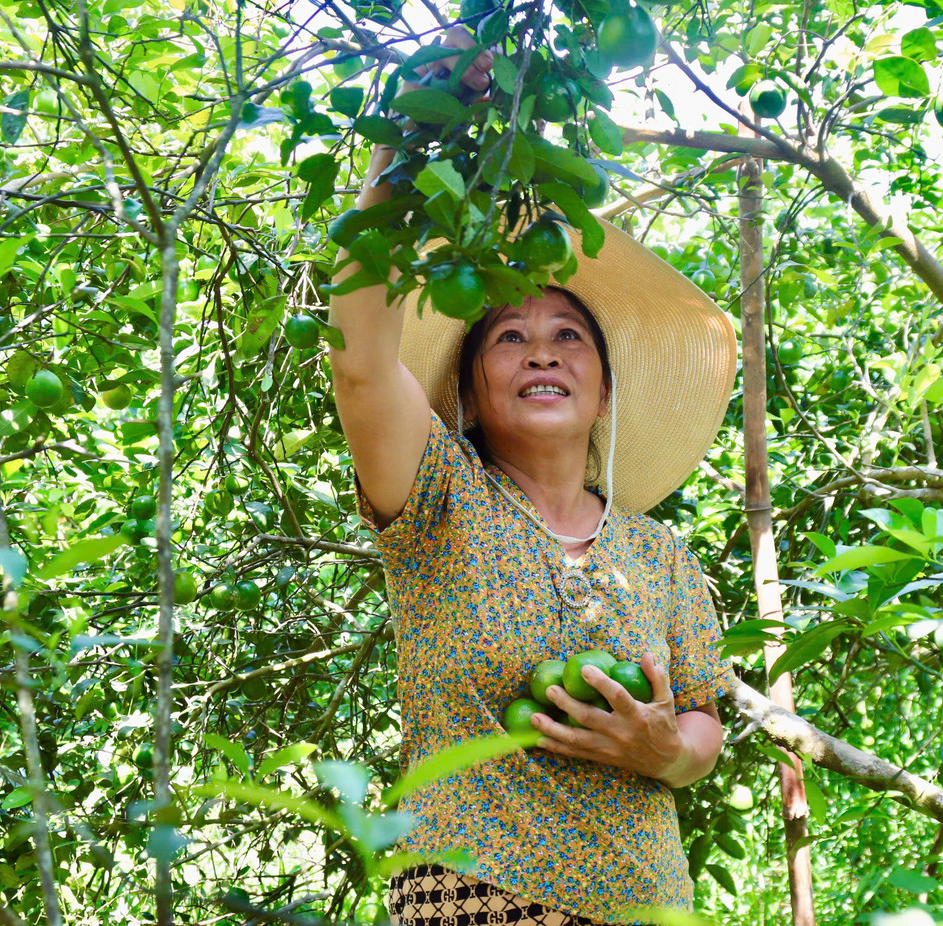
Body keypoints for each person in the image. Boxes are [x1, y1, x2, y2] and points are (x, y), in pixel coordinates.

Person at [327, 27, 738, 926]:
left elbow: (703, 723)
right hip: (473, 899)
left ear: (603, 391)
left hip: (649, 906)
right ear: (468, 388)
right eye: (508, 337)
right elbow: (361, 358)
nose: (540, 353)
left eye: (568, 337)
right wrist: (408, 150)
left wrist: (663, 751)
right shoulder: (442, 497)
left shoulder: (658, 553)